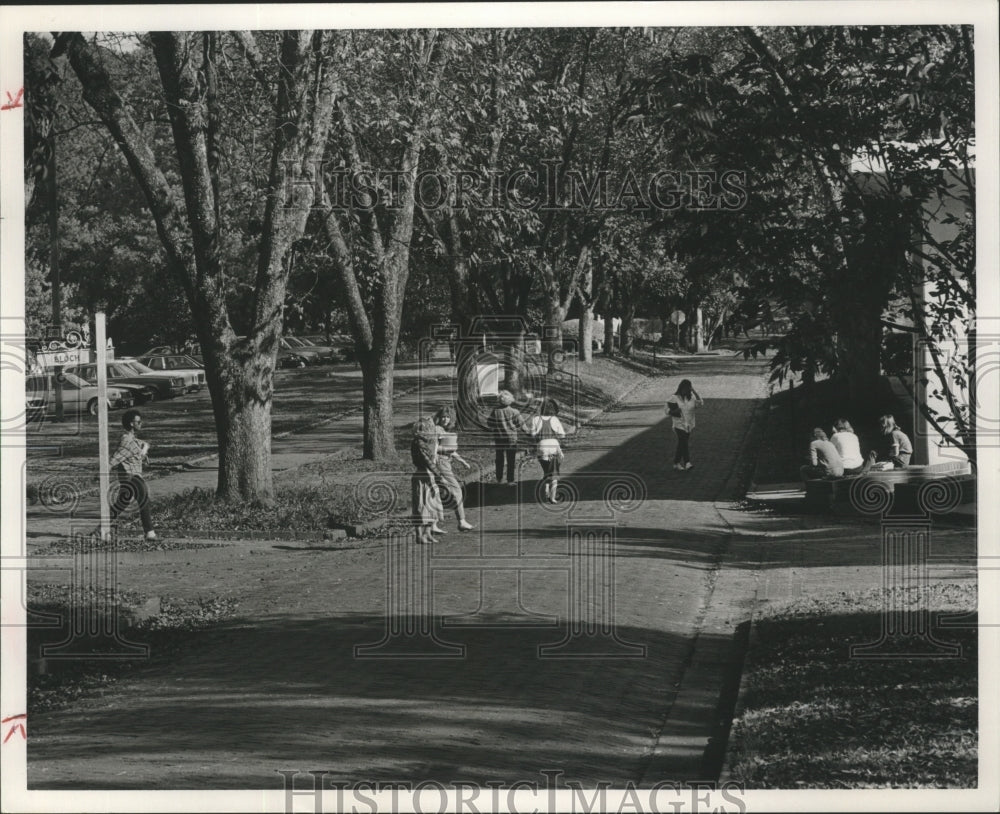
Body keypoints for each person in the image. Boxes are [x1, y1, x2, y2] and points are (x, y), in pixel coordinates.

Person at [109, 409, 156, 540]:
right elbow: (116, 457)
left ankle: (103, 526)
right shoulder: (126, 440)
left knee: (122, 503)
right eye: (138, 421)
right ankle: (150, 532)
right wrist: (104, 470)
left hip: (132, 474)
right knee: (144, 499)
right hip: (130, 475)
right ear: (131, 424)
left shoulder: (132, 439)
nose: (141, 423)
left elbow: (139, 446)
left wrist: (144, 452)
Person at [432, 406, 474, 531]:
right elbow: (434, 448)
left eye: (448, 417)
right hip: (440, 463)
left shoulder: (443, 430)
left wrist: (462, 461)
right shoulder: (437, 429)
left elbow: (450, 451)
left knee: (435, 493)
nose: (445, 419)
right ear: (439, 418)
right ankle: (461, 521)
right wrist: (446, 451)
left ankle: (433, 524)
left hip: (444, 462)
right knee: (457, 491)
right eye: (443, 417)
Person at [410, 417, 444, 544]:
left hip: (430, 475)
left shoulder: (429, 441)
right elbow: (427, 461)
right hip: (422, 475)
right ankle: (419, 535)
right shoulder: (419, 442)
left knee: (432, 505)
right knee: (421, 506)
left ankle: (428, 533)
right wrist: (438, 474)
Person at [526, 397, 567, 503]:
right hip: (553, 447)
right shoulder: (554, 419)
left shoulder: (535, 419)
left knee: (546, 471)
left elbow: (532, 434)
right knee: (554, 475)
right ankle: (553, 498)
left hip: (541, 447)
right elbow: (562, 435)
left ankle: (546, 490)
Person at [665, 379, 704, 471]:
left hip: (689, 424)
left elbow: (701, 403)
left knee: (682, 444)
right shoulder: (673, 398)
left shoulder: (691, 398)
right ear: (681, 388)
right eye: (686, 389)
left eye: (689, 389)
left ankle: (676, 462)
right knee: (684, 442)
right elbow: (666, 410)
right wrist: (674, 411)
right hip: (678, 424)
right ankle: (687, 462)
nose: (687, 391)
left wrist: (694, 391)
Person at [488, 389, 523, 485]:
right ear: (510, 399)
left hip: (499, 438)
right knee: (511, 459)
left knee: (499, 458)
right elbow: (521, 424)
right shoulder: (515, 411)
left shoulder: (495, 411)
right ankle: (510, 480)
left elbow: (489, 423)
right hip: (511, 439)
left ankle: (499, 479)